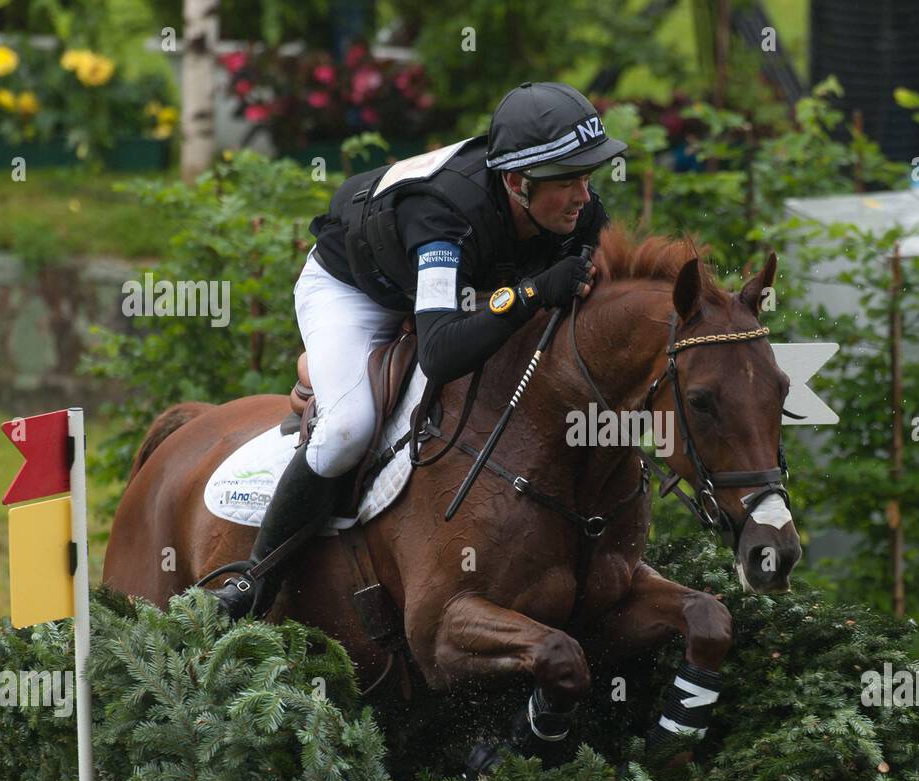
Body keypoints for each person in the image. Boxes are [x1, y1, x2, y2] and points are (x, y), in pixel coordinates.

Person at [209, 81, 627, 622]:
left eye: (588, 178)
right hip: (356, 293)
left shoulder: (576, 211)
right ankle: (255, 579)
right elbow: (441, 354)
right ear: (518, 182)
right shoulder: (444, 218)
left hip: (455, 288)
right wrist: (532, 292)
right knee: (346, 430)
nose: (584, 197)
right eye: (568, 181)